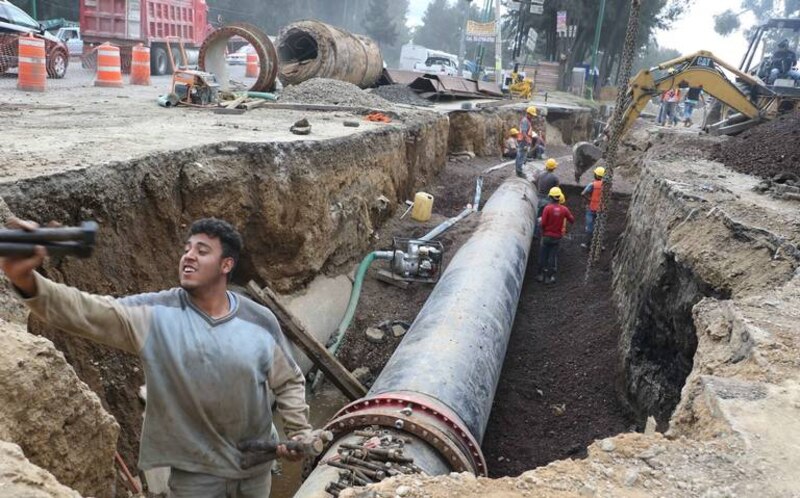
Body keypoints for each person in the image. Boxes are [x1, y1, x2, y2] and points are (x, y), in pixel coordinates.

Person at [0, 217, 311, 498]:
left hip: (255, 469)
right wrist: (26, 281)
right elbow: (85, 311)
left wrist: (298, 431)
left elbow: (289, 380)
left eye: (202, 251)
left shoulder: (259, 320)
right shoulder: (156, 316)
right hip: (195, 477)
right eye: (187, 249)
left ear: (226, 265)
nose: (188, 256)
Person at [536, 187, 574, 284]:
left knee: (543, 255)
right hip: (556, 237)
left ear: (550, 197)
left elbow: (543, 223)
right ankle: (549, 278)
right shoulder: (564, 209)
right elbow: (572, 220)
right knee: (552, 257)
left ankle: (540, 275)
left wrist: (541, 228)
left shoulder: (547, 208)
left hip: (546, 236)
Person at [581, 166, 605, 249]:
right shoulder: (606, 186)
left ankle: (587, 244)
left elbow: (583, 193)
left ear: (595, 175)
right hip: (601, 209)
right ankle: (600, 246)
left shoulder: (592, 184)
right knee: (599, 227)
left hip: (591, 208)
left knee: (589, 228)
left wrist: (589, 200)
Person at [515, 106, 538, 177]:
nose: (533, 117)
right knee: (521, 156)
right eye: (532, 115)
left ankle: (520, 170)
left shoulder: (527, 121)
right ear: (528, 114)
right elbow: (524, 133)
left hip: (524, 141)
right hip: (523, 141)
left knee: (523, 155)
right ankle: (519, 172)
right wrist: (528, 141)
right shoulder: (525, 121)